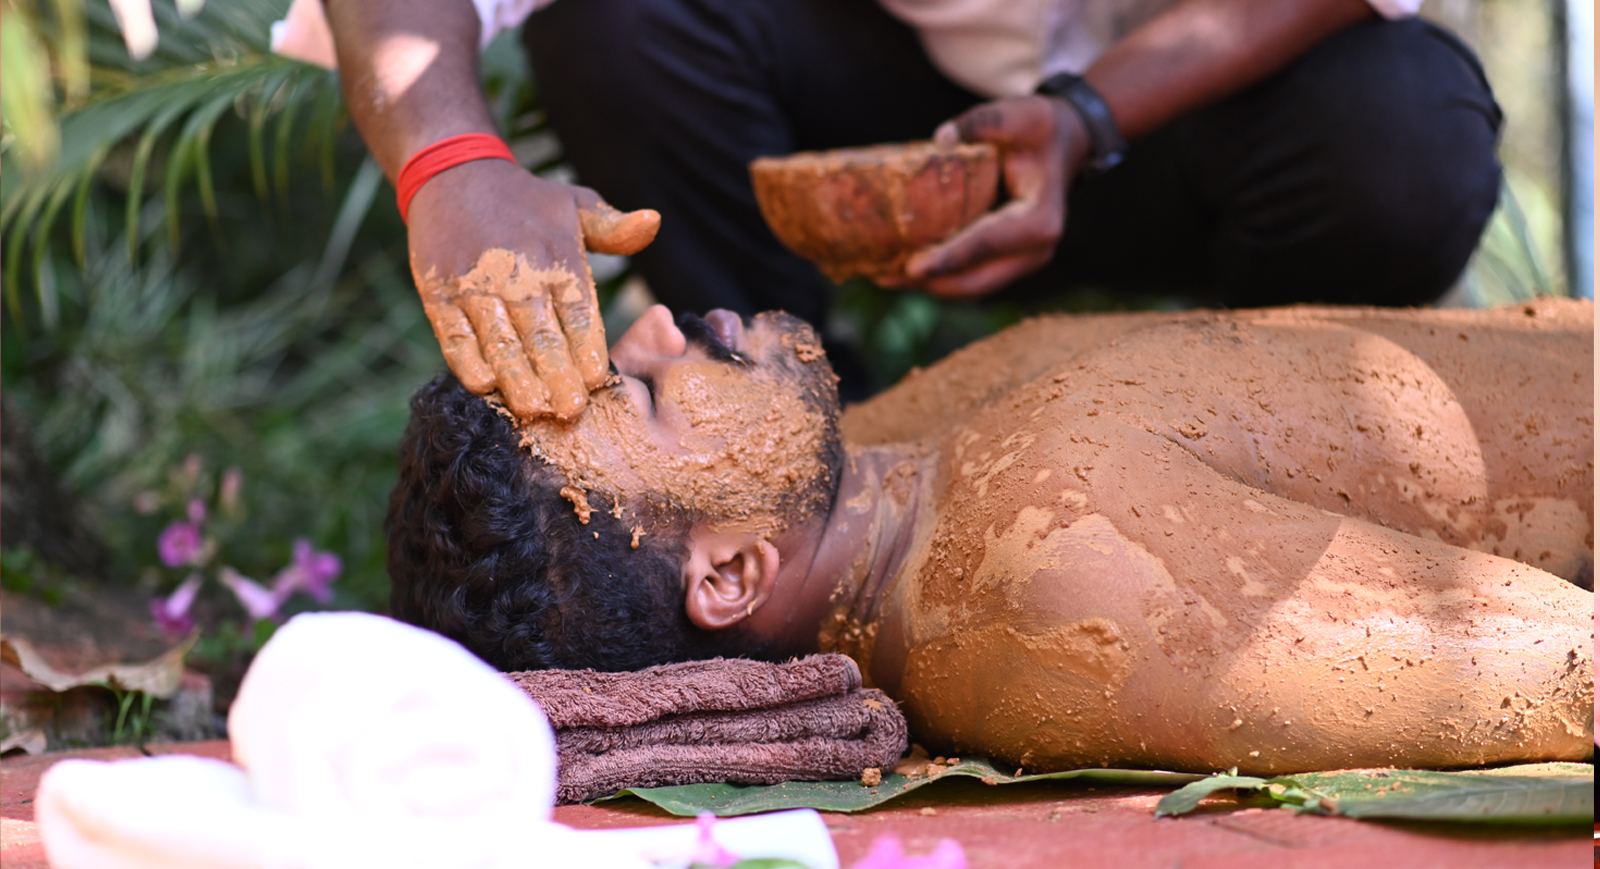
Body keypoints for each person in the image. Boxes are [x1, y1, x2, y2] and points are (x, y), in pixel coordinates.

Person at [386, 298, 1594, 775]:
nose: (655, 319)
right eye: (643, 390)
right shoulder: (1059, 587)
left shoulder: (884, 462)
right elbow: (1567, 672)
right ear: (735, 571)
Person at [315, 0, 1504, 410]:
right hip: (870, 94)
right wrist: (452, 164)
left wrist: (1087, 113)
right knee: (623, 24)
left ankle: (1254, 430)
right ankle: (807, 444)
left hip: (1173, 116)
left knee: (1404, 136)